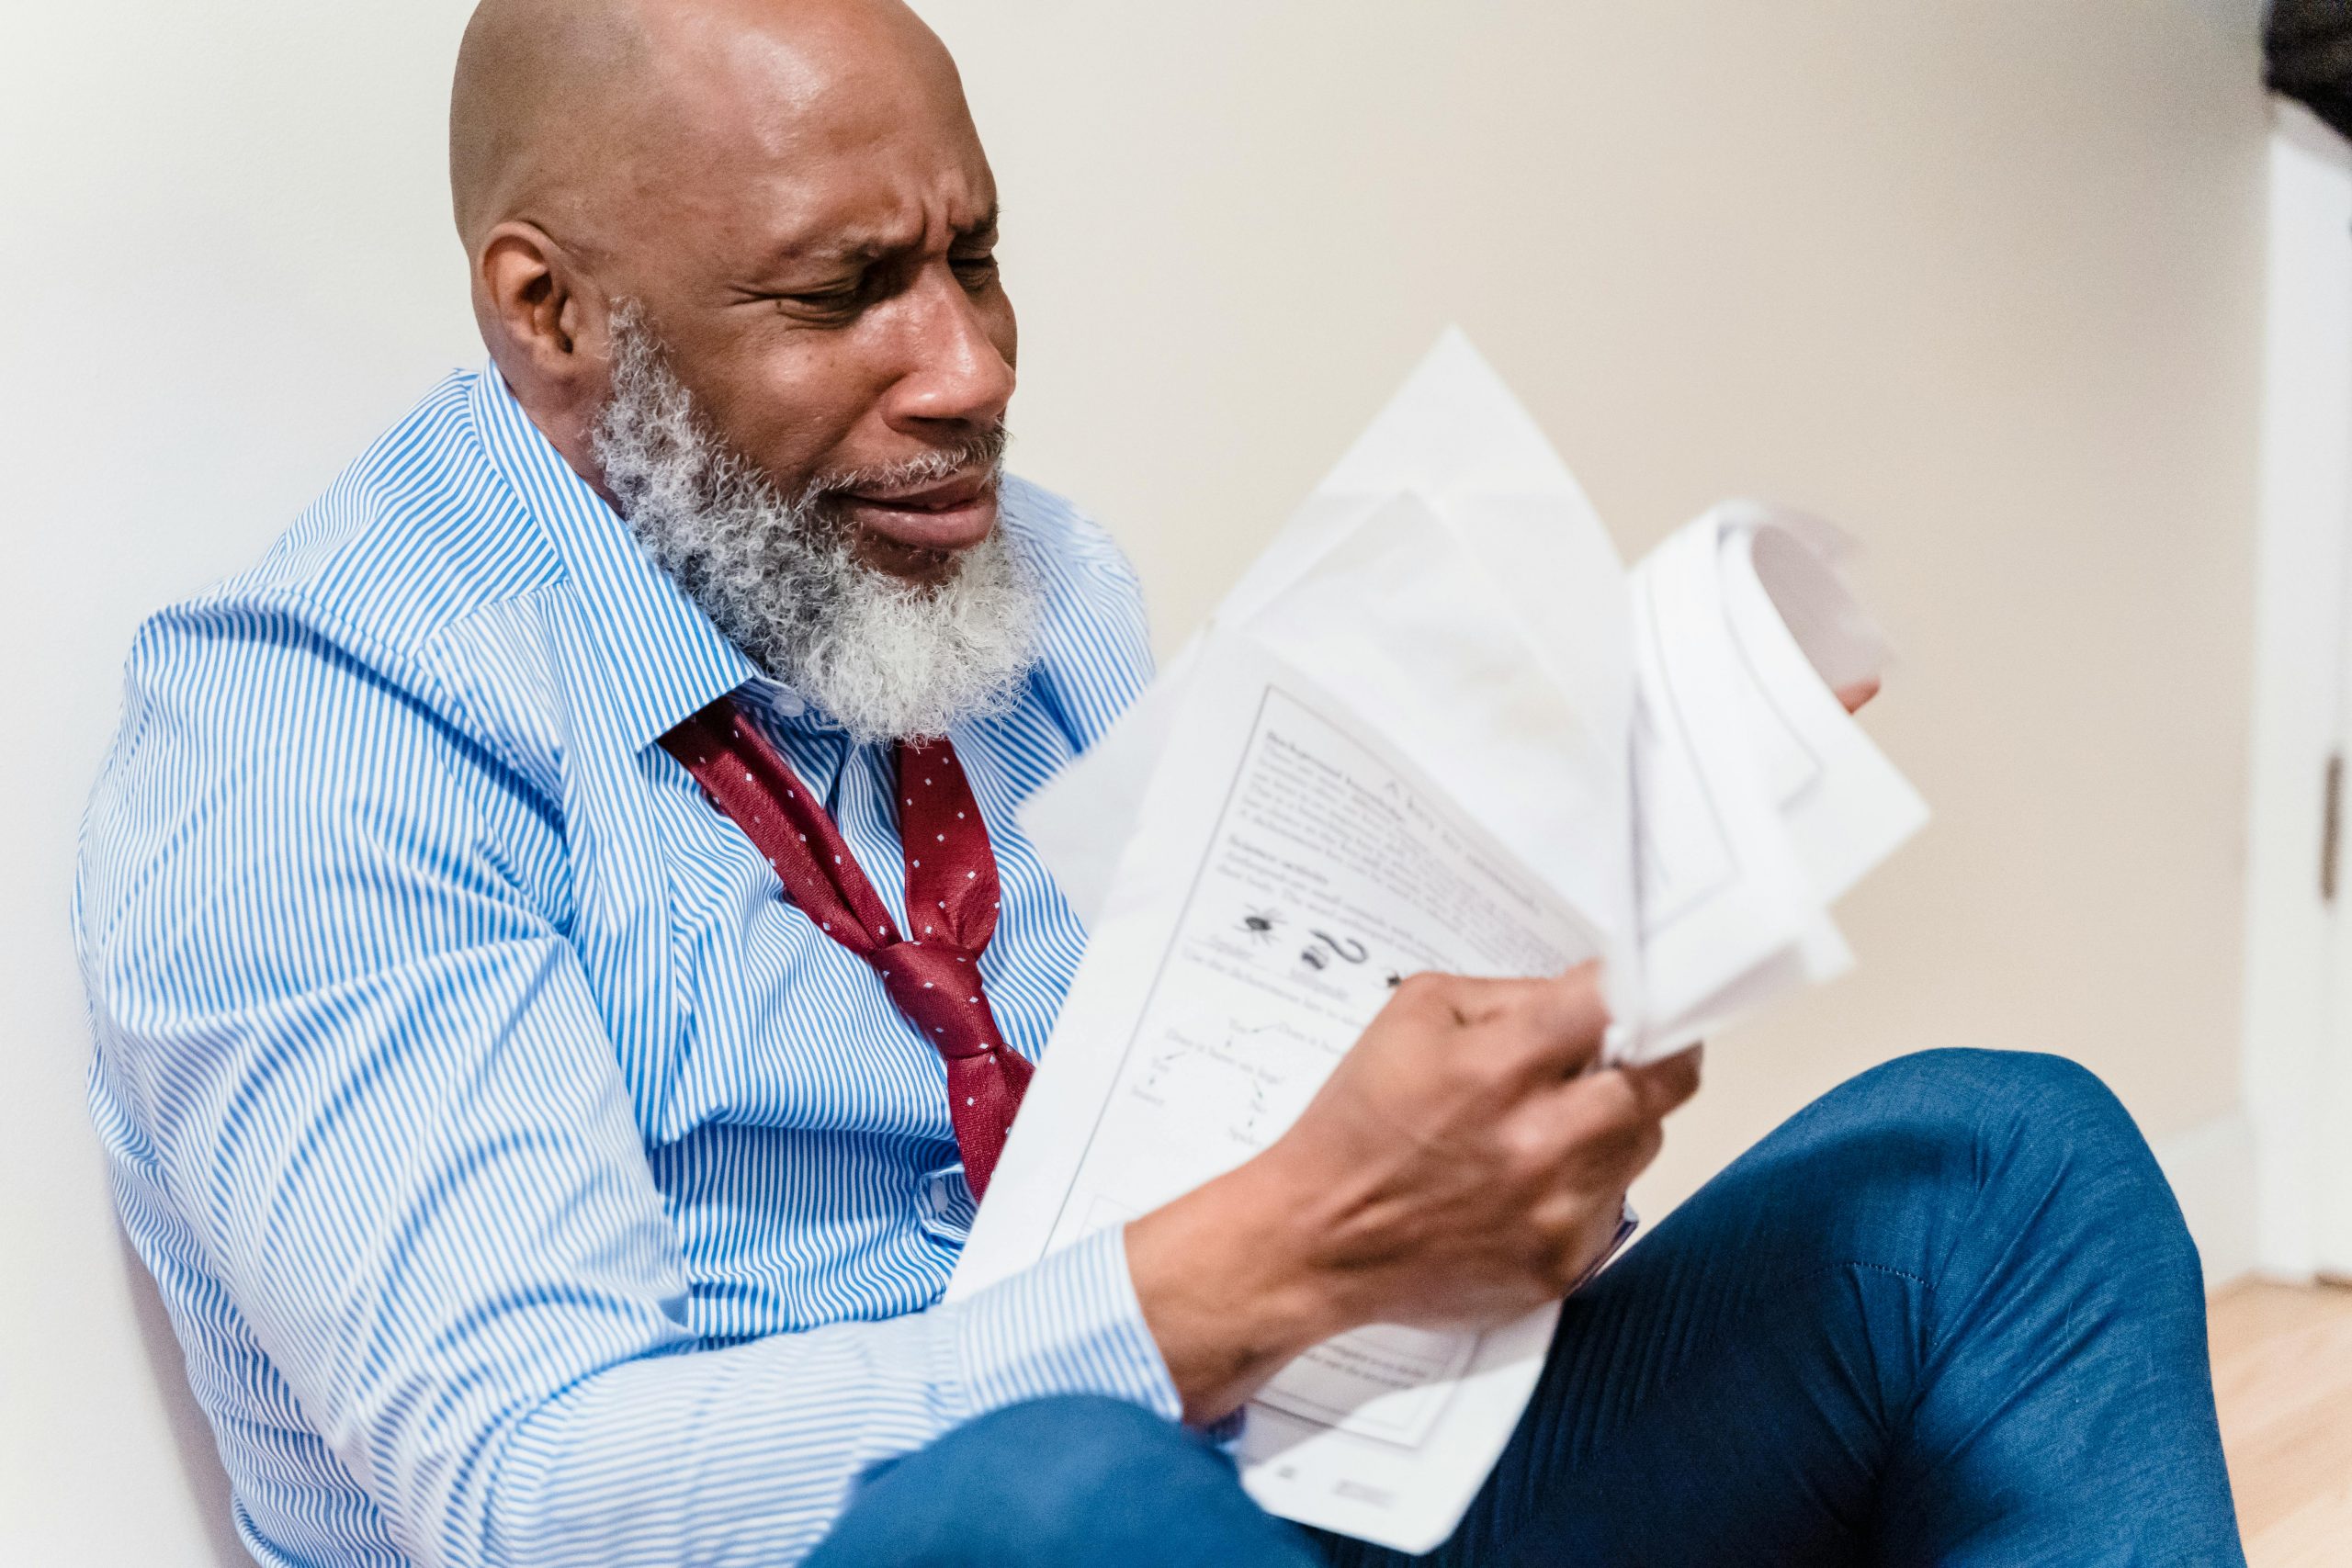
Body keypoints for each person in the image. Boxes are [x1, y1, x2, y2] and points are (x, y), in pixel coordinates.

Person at [74, 1, 2243, 1563]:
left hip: (1230, 1469)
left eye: (974, 256)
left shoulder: (1022, 592)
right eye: (846, 295)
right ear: (551, 316)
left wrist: (1503, 1144)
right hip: (986, 1521)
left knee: (1995, 1168)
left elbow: (1186, 1111)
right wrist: (1295, 1245)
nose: (973, 369)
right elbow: (533, 1493)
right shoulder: (314, 733)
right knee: (1052, 1503)